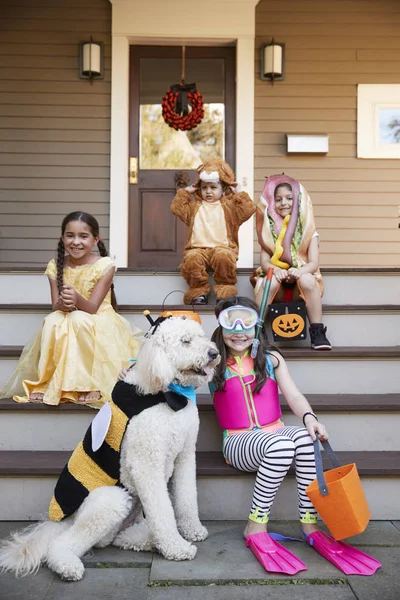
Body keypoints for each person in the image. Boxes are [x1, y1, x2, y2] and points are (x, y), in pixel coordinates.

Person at [208, 296, 379, 576]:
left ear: (257, 326)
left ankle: (309, 523)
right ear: (220, 327)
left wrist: (311, 418)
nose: (239, 331)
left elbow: (294, 395)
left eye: (246, 323)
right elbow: (176, 376)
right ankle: (256, 524)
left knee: (303, 437)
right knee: (281, 444)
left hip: (275, 435)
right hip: (238, 442)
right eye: (231, 323)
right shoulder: (212, 361)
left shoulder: (271, 359)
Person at [0, 211, 142, 408]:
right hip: (67, 316)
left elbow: (92, 308)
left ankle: (87, 384)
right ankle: (47, 382)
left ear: (95, 239)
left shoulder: (105, 265)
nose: (76, 242)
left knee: (79, 320)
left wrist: (76, 299)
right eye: (70, 235)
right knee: (52, 320)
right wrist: (63, 304)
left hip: (97, 318)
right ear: (62, 237)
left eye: (83, 236)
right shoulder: (55, 266)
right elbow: (54, 306)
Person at [254, 174, 331, 350]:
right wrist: (276, 271)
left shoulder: (309, 232)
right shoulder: (268, 232)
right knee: (269, 281)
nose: (284, 203)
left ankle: (317, 332)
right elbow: (265, 263)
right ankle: (257, 331)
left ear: (299, 202)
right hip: (277, 286)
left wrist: (299, 271)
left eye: (289, 199)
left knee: (307, 279)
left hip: (300, 288)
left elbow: (313, 264)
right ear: (272, 203)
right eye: (278, 199)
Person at [171, 159, 255, 305]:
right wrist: (185, 191)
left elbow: (248, 210)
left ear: (223, 189)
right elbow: (177, 208)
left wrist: (239, 193)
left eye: (213, 187)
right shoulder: (194, 207)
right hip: (198, 249)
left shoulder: (229, 207)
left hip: (222, 248)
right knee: (191, 259)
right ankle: (198, 292)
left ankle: (225, 291)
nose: (208, 191)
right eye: (204, 188)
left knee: (224, 257)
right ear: (199, 189)